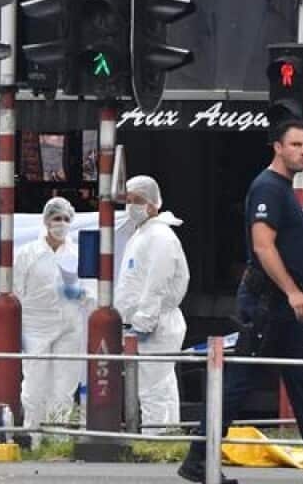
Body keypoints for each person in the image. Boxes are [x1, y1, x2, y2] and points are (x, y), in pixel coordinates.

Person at [179, 121, 303, 484]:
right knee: (238, 381)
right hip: (268, 302)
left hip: (278, 303)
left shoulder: (282, 188)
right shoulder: (269, 188)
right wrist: (292, 291)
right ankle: (199, 457)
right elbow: (262, 245)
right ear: (278, 147)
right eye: (295, 145)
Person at [116, 175, 190, 430]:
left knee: (152, 389)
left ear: (152, 203)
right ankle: (165, 438)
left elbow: (158, 282)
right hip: (149, 323)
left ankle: (155, 440)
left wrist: (144, 322)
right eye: (128, 200)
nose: (131, 206)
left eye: (137, 200)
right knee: (160, 385)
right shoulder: (144, 234)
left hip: (156, 324)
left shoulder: (159, 236)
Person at [13, 197, 90, 430]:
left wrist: (79, 293)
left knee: (64, 384)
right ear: (46, 221)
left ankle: (57, 440)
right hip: (35, 327)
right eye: (57, 218)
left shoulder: (78, 254)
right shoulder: (27, 253)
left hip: (70, 327)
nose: (62, 223)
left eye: (66, 219)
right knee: (34, 384)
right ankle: (33, 435)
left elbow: (92, 290)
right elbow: (15, 291)